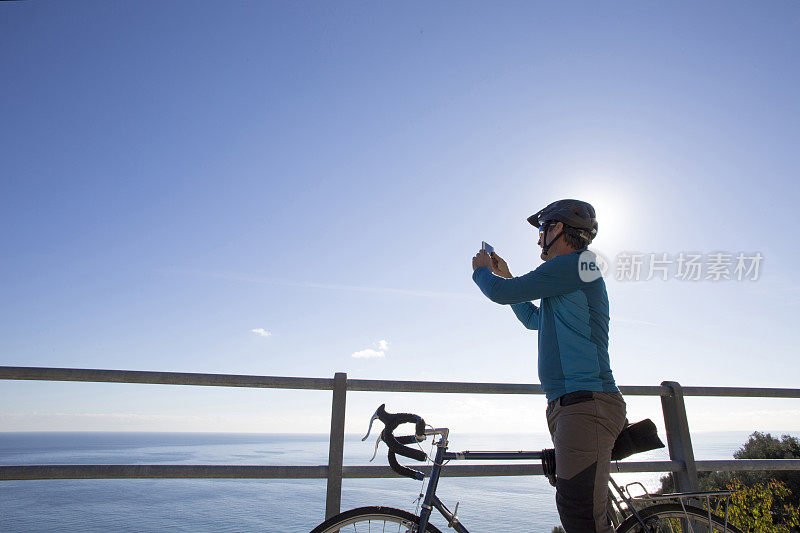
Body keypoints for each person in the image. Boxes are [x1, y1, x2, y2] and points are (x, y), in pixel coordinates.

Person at [471, 199, 626, 533]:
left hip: (586, 405)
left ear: (559, 229)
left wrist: (482, 270)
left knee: (580, 514)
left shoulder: (575, 265)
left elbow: (500, 293)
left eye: (542, 229)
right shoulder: (570, 274)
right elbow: (533, 319)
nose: (538, 238)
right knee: (582, 508)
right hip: (573, 404)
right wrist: (507, 274)